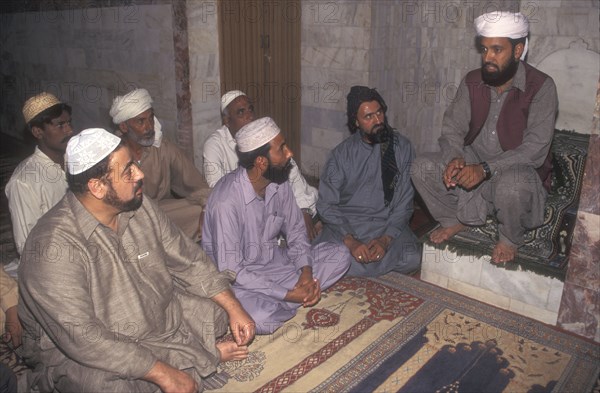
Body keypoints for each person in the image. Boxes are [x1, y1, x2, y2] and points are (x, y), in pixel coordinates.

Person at [17, 128, 255, 392]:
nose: (140, 174)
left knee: (219, 312)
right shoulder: (51, 247)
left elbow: (188, 260)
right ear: (97, 187)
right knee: (106, 386)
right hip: (94, 345)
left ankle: (188, 360)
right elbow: (83, 339)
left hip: (152, 316)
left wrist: (234, 307)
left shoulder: (138, 205)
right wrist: (162, 374)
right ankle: (190, 360)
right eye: (128, 170)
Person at [411, 11, 558, 264]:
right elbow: (453, 128)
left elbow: (535, 150)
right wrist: (455, 158)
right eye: (485, 49)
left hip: (516, 173)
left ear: (517, 50)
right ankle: (456, 219)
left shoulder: (542, 86)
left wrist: (486, 169)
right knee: (420, 167)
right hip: (474, 165)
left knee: (512, 185)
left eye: (497, 50)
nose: (488, 58)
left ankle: (509, 238)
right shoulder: (472, 81)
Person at [202, 117, 350, 334]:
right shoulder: (226, 201)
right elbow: (232, 270)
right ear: (262, 163)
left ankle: (289, 299)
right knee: (261, 319)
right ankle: (289, 300)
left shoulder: (279, 183)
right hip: (239, 283)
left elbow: (297, 232)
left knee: (340, 255)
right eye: (282, 148)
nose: (289, 153)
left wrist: (306, 274)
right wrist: (288, 294)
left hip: (276, 265)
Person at [315, 86, 421, 277]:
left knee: (412, 257)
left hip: (385, 223)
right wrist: (350, 241)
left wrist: (386, 240)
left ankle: (355, 266)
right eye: (369, 117)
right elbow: (326, 205)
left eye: (379, 113)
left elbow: (404, 203)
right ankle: (354, 261)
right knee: (333, 256)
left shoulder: (402, 147)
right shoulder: (341, 155)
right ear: (356, 122)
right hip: (348, 225)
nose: (378, 121)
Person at [203, 91, 321, 240]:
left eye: (250, 109)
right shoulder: (214, 144)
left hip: (279, 204)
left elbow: (293, 175)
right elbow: (217, 189)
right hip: (243, 213)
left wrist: (304, 211)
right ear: (227, 120)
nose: (250, 116)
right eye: (241, 112)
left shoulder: (264, 134)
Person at [110, 88, 211, 240]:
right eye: (141, 121)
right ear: (124, 127)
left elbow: (197, 185)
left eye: (151, 118)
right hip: (127, 220)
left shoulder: (162, 148)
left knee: (203, 208)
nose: (149, 127)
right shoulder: (111, 155)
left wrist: (206, 210)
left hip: (162, 214)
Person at [4, 92, 73, 275]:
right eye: (60, 125)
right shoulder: (23, 182)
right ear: (37, 132)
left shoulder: (77, 160)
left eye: (68, 123)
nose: (69, 131)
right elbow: (28, 247)